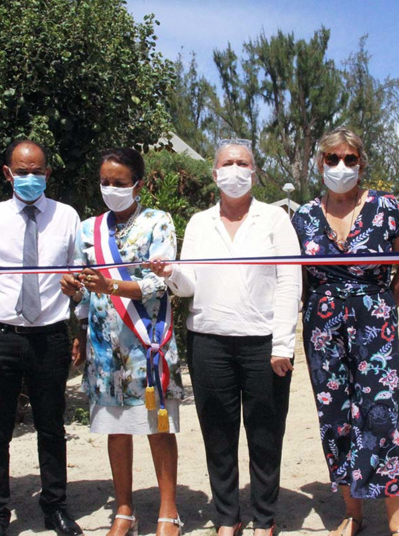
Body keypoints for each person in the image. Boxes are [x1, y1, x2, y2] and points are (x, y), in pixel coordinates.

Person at [149, 139, 301, 536]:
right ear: (215, 173)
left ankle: (265, 518)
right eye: (227, 163)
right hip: (208, 342)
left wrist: (283, 343)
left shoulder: (274, 219)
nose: (235, 169)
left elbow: (290, 281)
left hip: (263, 344)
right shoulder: (200, 222)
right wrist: (169, 273)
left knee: (266, 433)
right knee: (218, 434)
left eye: (242, 163)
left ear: (254, 171)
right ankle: (227, 518)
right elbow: (188, 284)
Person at [0, 140, 84, 536]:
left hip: (50, 336)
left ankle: (55, 507)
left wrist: (77, 288)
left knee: (52, 426)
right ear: (7, 173)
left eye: (37, 171)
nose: (30, 178)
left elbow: (80, 272)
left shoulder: (67, 216)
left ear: (48, 174)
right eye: (22, 172)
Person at [291, 127, 399, 536]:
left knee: (382, 411)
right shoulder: (304, 216)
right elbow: (298, 279)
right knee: (336, 415)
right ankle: (353, 512)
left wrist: (383, 306)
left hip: (375, 322)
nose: (340, 166)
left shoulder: (386, 206)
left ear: (361, 163)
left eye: (349, 159)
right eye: (332, 159)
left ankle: (396, 518)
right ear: (319, 163)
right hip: (322, 328)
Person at [60, 148, 184, 536]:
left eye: (119, 182)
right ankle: (124, 509)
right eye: (105, 182)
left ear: (138, 184)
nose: (111, 189)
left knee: (156, 426)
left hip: (146, 341)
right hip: (103, 344)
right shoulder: (87, 228)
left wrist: (112, 284)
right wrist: (74, 293)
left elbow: (159, 282)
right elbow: (82, 287)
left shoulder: (157, 222)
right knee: (117, 428)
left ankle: (168, 510)